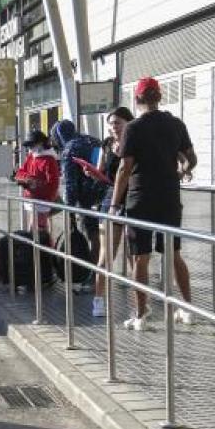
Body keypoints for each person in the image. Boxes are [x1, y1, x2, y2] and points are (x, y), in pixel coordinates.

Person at [108, 77, 197, 331]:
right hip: (169, 197)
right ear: (160, 97)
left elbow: (125, 168)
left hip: (141, 198)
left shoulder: (134, 128)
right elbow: (191, 158)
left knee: (140, 258)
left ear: (137, 100)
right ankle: (188, 309)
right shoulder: (176, 124)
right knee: (174, 254)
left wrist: (115, 205)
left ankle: (141, 316)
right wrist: (182, 171)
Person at [86, 107, 134, 318]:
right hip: (110, 200)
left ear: (128, 123)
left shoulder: (135, 142)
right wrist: (92, 173)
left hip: (132, 199)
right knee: (106, 255)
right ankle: (98, 300)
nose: (114, 127)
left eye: (118, 123)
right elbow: (102, 172)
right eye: (112, 123)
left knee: (135, 256)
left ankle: (138, 304)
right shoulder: (106, 145)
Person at [51, 119, 104, 278]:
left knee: (93, 235)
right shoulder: (93, 140)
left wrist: (70, 211)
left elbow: (70, 184)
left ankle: (94, 274)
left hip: (86, 198)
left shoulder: (69, 149)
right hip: (105, 193)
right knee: (105, 235)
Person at [14, 129, 60, 235]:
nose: (30, 148)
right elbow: (20, 172)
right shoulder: (32, 156)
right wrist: (27, 179)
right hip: (32, 198)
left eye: (32, 145)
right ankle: (39, 249)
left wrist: (35, 184)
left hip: (42, 199)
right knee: (33, 227)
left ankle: (43, 250)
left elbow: (53, 184)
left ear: (40, 143)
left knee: (39, 229)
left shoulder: (49, 160)